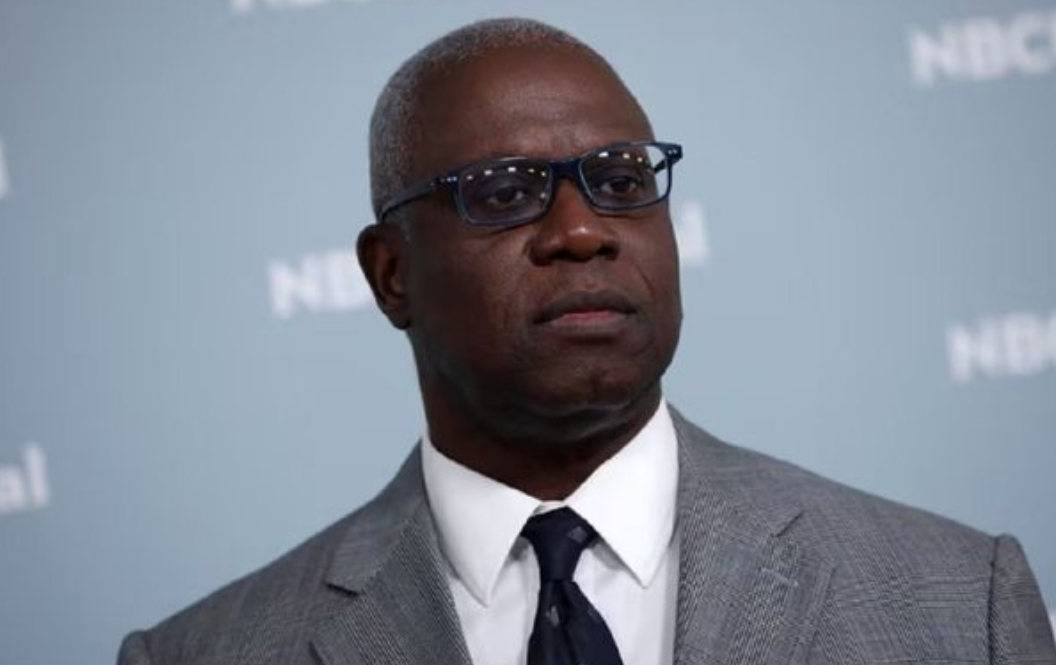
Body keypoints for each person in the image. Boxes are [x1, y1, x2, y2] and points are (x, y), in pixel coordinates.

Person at [118, 18, 1055, 665]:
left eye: (621, 179)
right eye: (504, 191)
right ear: (391, 273)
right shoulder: (207, 652)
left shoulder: (958, 600)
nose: (580, 230)